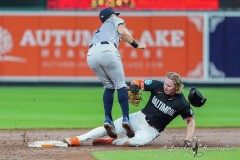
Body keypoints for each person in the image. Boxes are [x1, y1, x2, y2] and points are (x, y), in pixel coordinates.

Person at [64, 72, 206, 147]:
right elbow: (139, 83)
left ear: (177, 87)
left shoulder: (182, 103)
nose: (165, 86)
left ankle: (112, 141)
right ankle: (78, 139)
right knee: (110, 125)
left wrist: (188, 139)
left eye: (169, 85)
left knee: (135, 142)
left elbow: (190, 120)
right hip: (139, 117)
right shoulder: (157, 85)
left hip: (152, 130)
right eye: (165, 83)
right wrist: (133, 86)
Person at [86, 7, 147, 139]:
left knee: (109, 87)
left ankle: (108, 119)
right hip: (107, 51)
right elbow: (122, 31)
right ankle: (126, 118)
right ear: (111, 15)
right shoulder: (114, 19)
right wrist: (136, 45)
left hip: (91, 55)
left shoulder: (99, 30)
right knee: (120, 85)